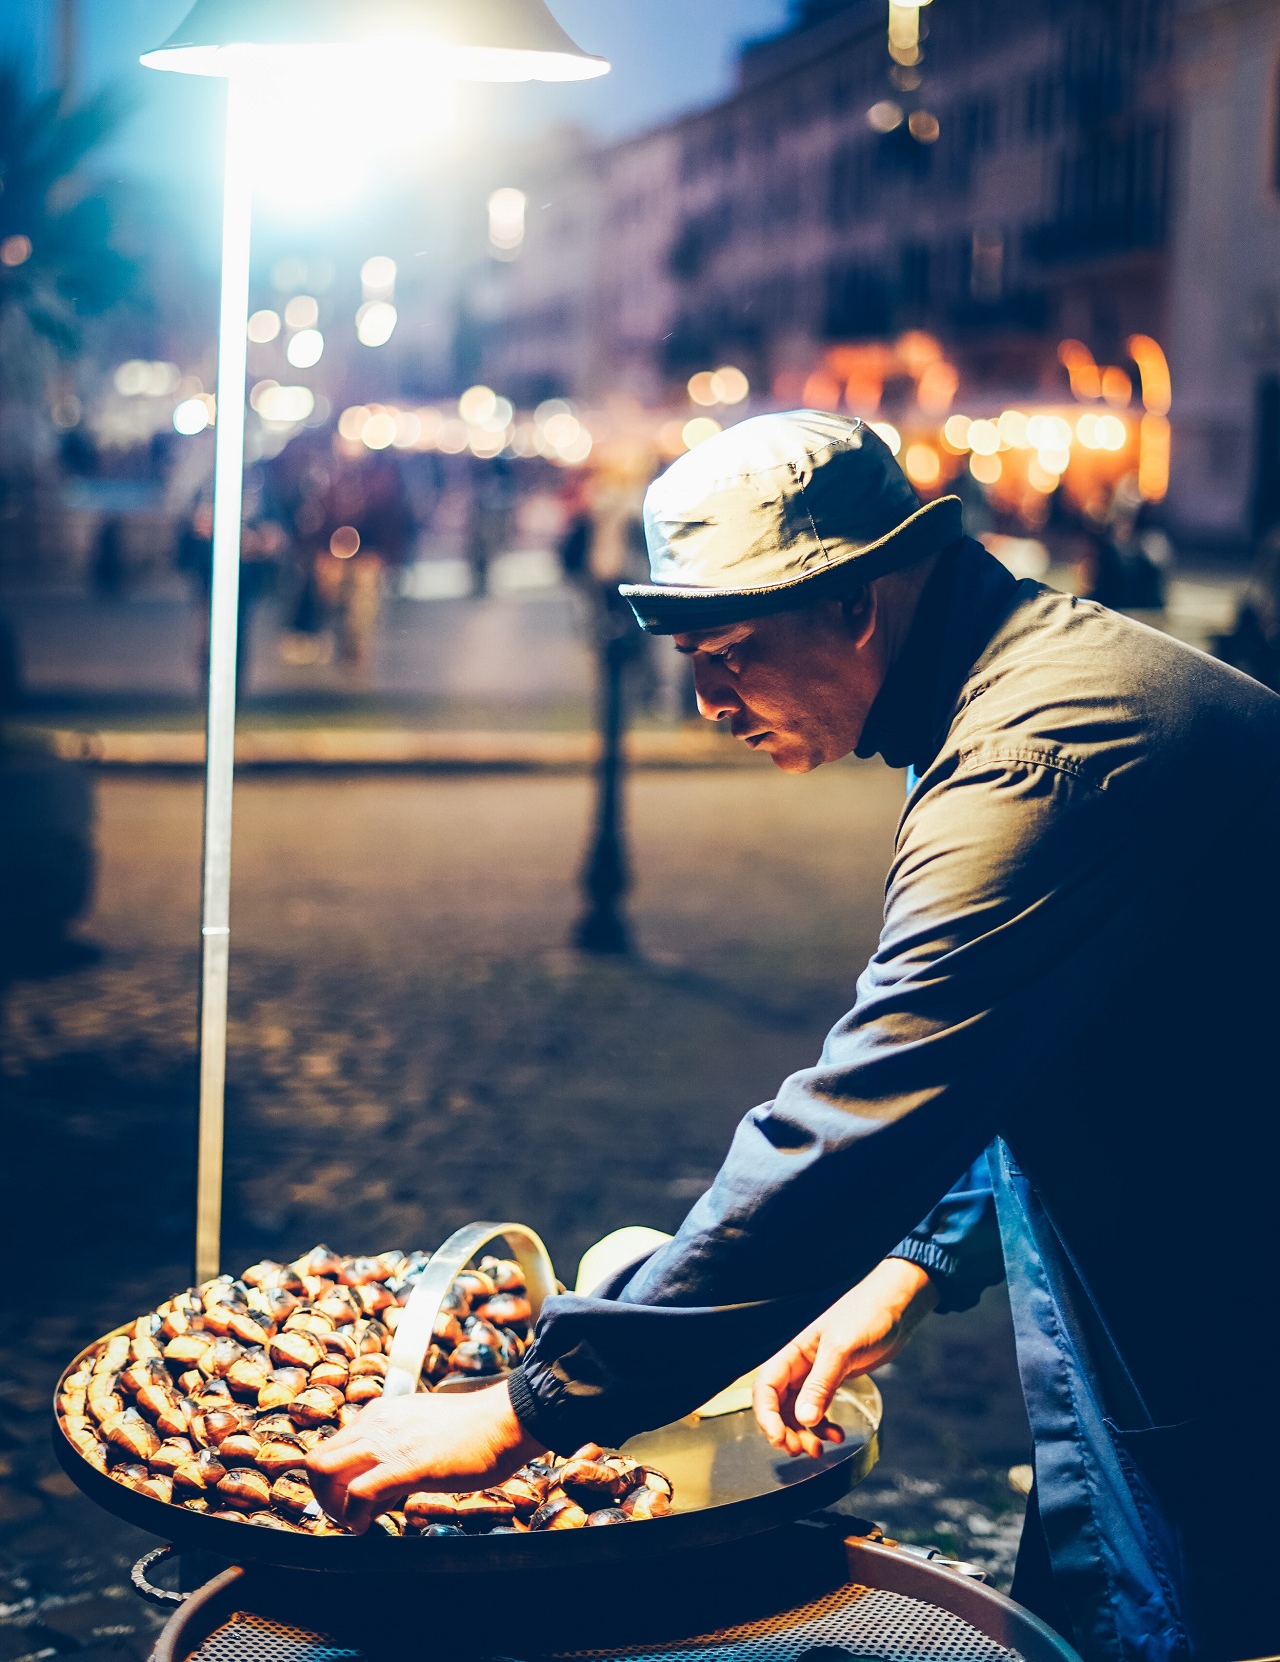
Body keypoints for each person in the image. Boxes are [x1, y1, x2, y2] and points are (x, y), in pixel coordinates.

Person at [308, 412, 1279, 1662]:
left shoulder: (1030, 763)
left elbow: (857, 1120)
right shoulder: (1031, 684)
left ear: (859, 607)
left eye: (727, 655)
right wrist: (914, 1261)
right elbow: (1050, 1031)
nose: (707, 702)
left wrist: (528, 1406)